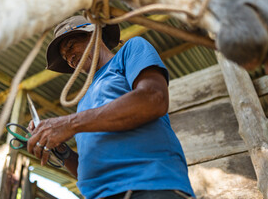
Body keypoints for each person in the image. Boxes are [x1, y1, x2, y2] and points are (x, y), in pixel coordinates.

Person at [27, 15, 195, 199]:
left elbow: (154, 98)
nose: (69, 58)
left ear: (95, 34)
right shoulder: (83, 103)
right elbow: (88, 171)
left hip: (150, 186)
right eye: (65, 57)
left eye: (71, 46)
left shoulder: (130, 51)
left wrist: (69, 124)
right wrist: (62, 150)